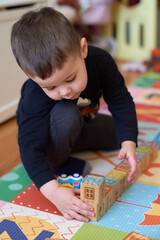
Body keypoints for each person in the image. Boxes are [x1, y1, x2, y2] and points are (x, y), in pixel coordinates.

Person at [11, 7, 138, 222]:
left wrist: (129, 142)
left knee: (123, 132)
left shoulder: (101, 61)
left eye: (70, 79)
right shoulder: (35, 92)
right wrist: (54, 192)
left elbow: (121, 101)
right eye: (50, 88)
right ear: (33, 78)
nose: (64, 91)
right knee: (65, 113)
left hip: (84, 123)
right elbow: (29, 145)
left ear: (83, 49)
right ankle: (58, 163)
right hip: (51, 134)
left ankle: (79, 145)